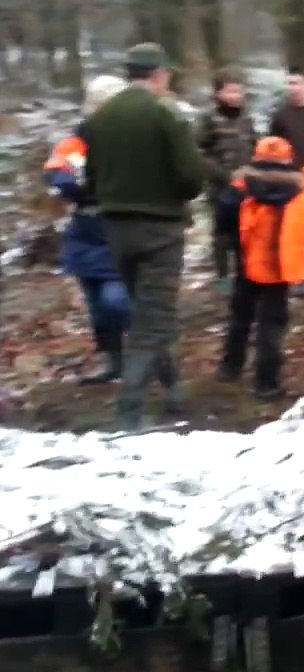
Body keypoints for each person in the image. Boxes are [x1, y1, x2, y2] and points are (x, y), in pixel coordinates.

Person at [82, 42, 205, 431]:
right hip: (161, 231)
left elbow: (91, 179)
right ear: (160, 74)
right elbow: (190, 179)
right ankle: (129, 412)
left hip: (116, 228)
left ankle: (172, 389)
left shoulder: (101, 118)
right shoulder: (165, 114)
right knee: (153, 320)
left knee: (147, 310)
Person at [216, 137, 304, 401]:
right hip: (281, 265)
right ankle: (267, 383)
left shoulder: (240, 187)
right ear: (288, 159)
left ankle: (230, 367)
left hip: (247, 260)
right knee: (271, 324)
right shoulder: (302, 193)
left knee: (240, 316)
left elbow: (224, 219)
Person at [44, 75, 131, 385]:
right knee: (96, 306)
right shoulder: (78, 140)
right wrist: (75, 186)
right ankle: (112, 360)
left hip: (120, 230)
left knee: (116, 299)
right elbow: (57, 170)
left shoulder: (133, 141)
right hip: (85, 230)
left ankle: (144, 352)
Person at [196, 67, 258, 294]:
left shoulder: (246, 117)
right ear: (218, 94)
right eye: (231, 92)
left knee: (248, 227)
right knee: (222, 232)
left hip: (247, 184)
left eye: (239, 91)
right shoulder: (208, 118)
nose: (236, 96)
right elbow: (199, 152)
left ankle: (246, 270)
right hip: (220, 185)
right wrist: (223, 174)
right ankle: (223, 275)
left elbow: (254, 145)